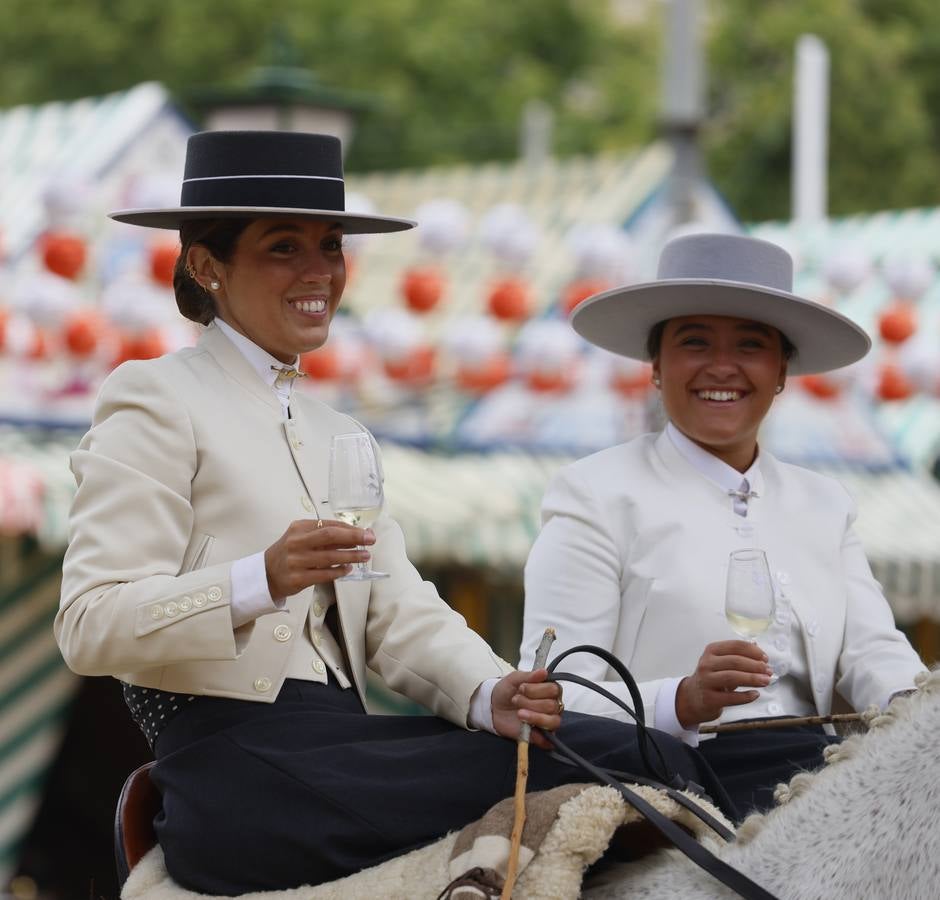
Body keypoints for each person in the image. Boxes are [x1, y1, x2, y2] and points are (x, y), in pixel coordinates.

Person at [54, 131, 731, 895]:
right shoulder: (154, 397)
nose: (321, 273)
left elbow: (398, 608)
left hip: (350, 745)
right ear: (207, 266)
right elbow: (90, 623)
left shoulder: (339, 433)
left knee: (652, 754)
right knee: (636, 762)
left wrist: (489, 692)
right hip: (235, 772)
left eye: (332, 246)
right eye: (285, 248)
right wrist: (257, 579)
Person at [521, 232, 927, 819]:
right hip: (660, 785)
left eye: (750, 344)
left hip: (815, 783)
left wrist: (922, 715)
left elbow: (873, 652)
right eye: (694, 342)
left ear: (782, 370)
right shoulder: (595, 493)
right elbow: (550, 690)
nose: (722, 366)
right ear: (655, 366)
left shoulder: (825, 503)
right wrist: (679, 700)